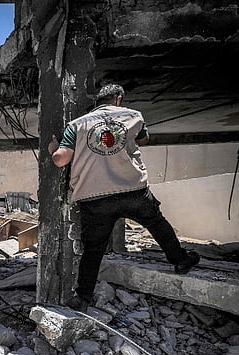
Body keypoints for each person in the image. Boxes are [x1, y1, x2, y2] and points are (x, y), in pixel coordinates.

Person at [48, 83, 200, 312]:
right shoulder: (133, 116)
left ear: (98, 103)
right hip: (132, 190)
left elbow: (60, 160)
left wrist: (53, 148)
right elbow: (143, 139)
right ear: (118, 99)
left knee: (93, 249)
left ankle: (82, 299)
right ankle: (180, 260)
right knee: (157, 224)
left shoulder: (76, 125)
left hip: (94, 196)